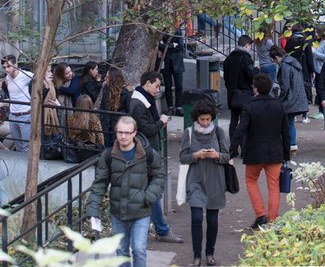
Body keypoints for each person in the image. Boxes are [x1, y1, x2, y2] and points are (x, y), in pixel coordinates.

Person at [86, 116, 167, 267]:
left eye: (127, 133)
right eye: (120, 132)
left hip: (141, 211)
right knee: (122, 251)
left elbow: (160, 176)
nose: (123, 136)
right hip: (118, 212)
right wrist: (93, 210)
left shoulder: (147, 154)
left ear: (134, 133)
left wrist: (147, 197)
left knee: (138, 249)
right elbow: (99, 184)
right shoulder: (108, 155)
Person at [129, 71, 183, 244]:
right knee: (154, 193)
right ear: (147, 84)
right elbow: (147, 128)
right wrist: (161, 122)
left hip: (148, 152)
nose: (158, 89)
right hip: (146, 153)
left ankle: (156, 229)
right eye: (156, 86)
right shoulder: (139, 104)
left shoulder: (143, 100)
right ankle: (161, 230)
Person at [231, 73, 290, 229]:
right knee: (274, 187)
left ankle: (260, 214)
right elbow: (286, 132)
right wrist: (286, 155)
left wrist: (232, 150)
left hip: (254, 152)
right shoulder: (279, 106)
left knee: (251, 181)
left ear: (255, 89)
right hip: (275, 152)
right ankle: (273, 221)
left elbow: (240, 130)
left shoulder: (249, 106)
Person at [179, 99, 230, 267]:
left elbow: (227, 156)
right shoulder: (189, 132)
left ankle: (209, 253)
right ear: (196, 118)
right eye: (202, 119)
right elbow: (183, 157)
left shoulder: (219, 132)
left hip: (215, 181)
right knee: (196, 218)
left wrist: (217, 156)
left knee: (213, 220)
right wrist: (195, 156)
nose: (205, 122)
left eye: (208, 119)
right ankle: (196, 256)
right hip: (195, 180)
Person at [223, 34, 256, 156]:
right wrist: (256, 71)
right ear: (247, 45)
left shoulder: (229, 58)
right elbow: (251, 75)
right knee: (244, 121)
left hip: (232, 94)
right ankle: (244, 149)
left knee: (233, 121)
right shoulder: (245, 58)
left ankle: (233, 148)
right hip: (245, 94)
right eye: (250, 46)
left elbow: (226, 77)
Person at [272, 45, 306, 153]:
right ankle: (292, 145)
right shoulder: (293, 62)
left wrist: (279, 99)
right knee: (290, 122)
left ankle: (289, 145)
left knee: (287, 122)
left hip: (290, 98)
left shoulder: (285, 65)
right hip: (298, 96)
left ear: (276, 58)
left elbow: (285, 85)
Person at [284, 25, 314, 124]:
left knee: (292, 90)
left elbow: (287, 55)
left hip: (292, 69)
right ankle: (304, 115)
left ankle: (293, 114)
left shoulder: (289, 42)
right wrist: (312, 71)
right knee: (304, 92)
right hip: (304, 69)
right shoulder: (306, 42)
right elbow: (310, 58)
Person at [2, 55, 33, 152]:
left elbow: (39, 81)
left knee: (26, 146)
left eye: (8, 66)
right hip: (13, 115)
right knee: (18, 146)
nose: (6, 69)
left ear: (15, 65)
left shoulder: (25, 75)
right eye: (4, 67)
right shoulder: (7, 78)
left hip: (25, 114)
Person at [99, 67, 132, 149]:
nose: (105, 79)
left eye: (107, 77)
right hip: (106, 125)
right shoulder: (106, 89)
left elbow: (129, 112)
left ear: (113, 79)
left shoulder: (126, 93)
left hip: (118, 126)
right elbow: (102, 106)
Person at [159, 26, 186, 116]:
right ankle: (170, 107)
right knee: (168, 85)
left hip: (177, 62)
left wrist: (166, 46)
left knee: (179, 85)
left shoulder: (177, 31)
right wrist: (172, 45)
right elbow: (160, 46)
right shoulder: (162, 32)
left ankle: (178, 106)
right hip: (166, 62)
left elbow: (181, 46)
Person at [310, 27, 325, 119]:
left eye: (317, 33)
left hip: (323, 70)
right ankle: (321, 110)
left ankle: (323, 111)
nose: (315, 34)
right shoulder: (318, 42)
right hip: (317, 70)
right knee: (319, 91)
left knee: (322, 91)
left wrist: (314, 52)